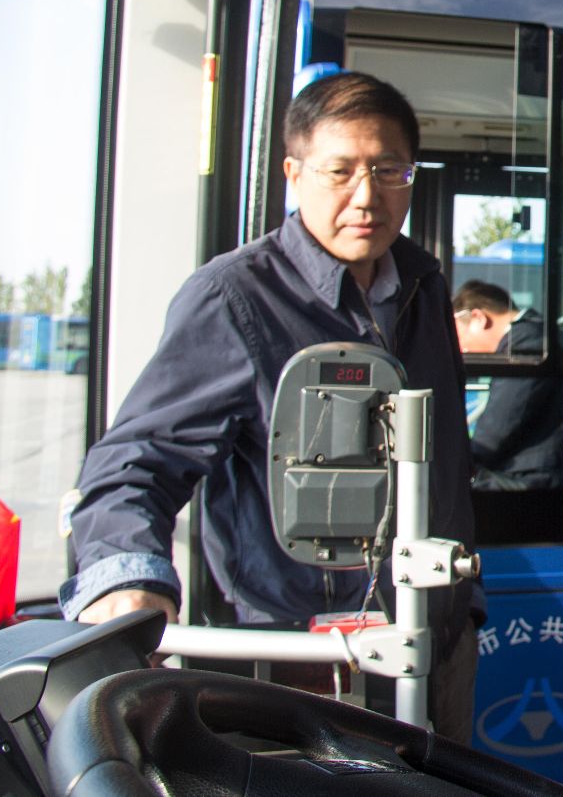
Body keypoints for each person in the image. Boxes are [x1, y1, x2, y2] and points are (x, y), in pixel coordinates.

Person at [61, 72, 480, 741]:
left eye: (389, 171)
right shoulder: (235, 297)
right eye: (339, 171)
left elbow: (444, 462)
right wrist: (127, 581)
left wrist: (465, 605)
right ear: (294, 172)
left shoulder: (423, 285)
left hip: (434, 643)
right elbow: (136, 460)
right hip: (302, 664)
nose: (366, 196)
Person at [452, 279, 563, 491]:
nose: (463, 350)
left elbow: (499, 426)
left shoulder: (526, 343)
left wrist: (459, 462)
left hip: (534, 477)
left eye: (460, 339)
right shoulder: (533, 336)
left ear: (478, 319)